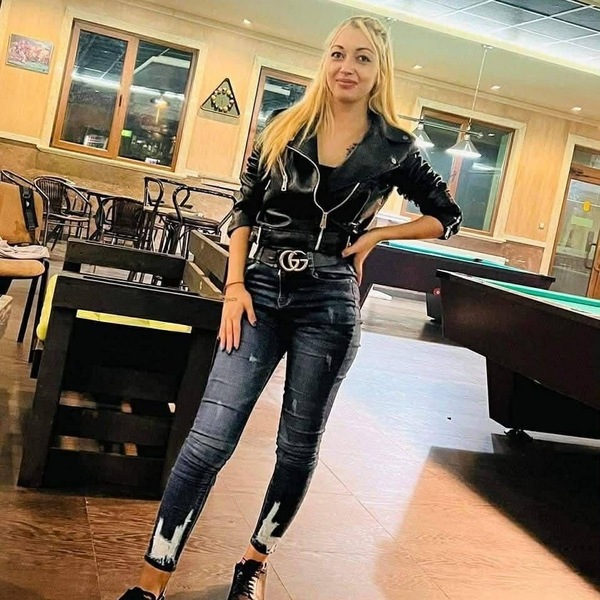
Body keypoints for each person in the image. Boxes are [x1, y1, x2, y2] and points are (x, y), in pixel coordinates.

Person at [119, 14, 461, 600]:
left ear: (380, 71)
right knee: (208, 440)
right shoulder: (281, 127)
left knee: (297, 449)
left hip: (330, 303)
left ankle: (253, 562)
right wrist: (234, 286)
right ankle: (150, 585)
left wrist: (379, 235)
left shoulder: (395, 148)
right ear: (324, 61)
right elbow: (244, 208)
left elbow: (446, 216)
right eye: (338, 53)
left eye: (362, 58)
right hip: (258, 293)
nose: (347, 67)